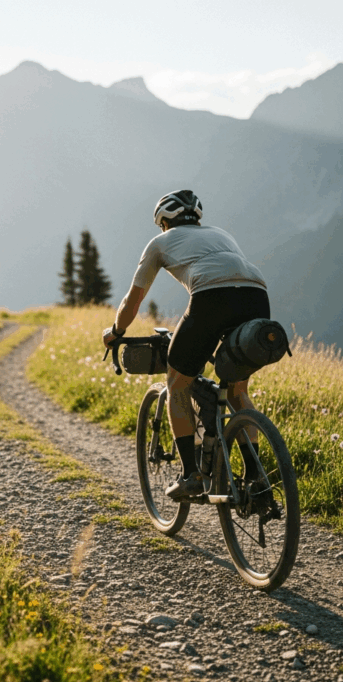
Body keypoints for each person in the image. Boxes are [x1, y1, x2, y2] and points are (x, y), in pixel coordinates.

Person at [102, 190, 270, 500]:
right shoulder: (221, 234)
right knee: (237, 391)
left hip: (211, 298)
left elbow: (133, 300)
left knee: (177, 382)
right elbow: (230, 273)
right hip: (257, 296)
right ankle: (256, 475)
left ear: (164, 222)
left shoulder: (159, 243)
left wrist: (116, 331)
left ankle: (191, 475)